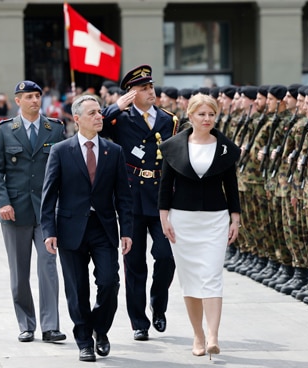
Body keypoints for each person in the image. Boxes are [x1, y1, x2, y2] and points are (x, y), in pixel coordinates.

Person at [41, 94, 133, 362]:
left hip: (103, 228)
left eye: (99, 112)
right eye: (92, 113)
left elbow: (124, 196)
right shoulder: (61, 150)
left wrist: (126, 230)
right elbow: (49, 195)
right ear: (77, 118)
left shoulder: (113, 151)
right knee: (77, 288)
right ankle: (84, 341)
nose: (98, 116)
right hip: (70, 229)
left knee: (109, 282)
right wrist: (49, 231)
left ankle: (100, 330)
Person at [158, 94, 241, 358]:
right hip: (182, 220)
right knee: (190, 280)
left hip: (215, 219)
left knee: (212, 276)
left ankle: (214, 336)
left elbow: (231, 186)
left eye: (211, 114)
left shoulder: (225, 148)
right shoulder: (173, 146)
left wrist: (235, 218)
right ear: (190, 116)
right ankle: (198, 335)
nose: (207, 119)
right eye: (202, 114)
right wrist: (164, 217)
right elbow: (165, 185)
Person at [100, 64, 177, 342]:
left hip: (160, 200)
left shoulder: (169, 120)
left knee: (166, 257)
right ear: (131, 94)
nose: (150, 92)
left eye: (151, 87)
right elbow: (92, 128)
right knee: (134, 264)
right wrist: (113, 107)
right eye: (143, 88)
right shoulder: (119, 120)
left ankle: (158, 305)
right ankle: (139, 321)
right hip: (131, 200)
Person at [0, 80, 66, 344]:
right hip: (15, 211)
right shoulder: (5, 129)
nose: (35, 100)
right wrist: (2, 202)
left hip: (46, 212)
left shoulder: (54, 129)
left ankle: (50, 325)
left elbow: (64, 168)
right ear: (17, 101)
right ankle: (26, 324)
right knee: (19, 272)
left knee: (48, 266)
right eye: (28, 96)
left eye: (37, 96)